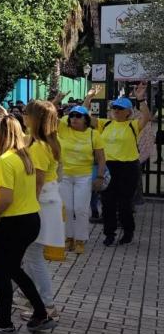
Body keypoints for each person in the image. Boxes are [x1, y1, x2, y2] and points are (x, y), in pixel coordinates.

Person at [0, 115, 55, 334]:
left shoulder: (4, 160)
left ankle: (5, 321)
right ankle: (40, 313)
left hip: (14, 223)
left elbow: (5, 199)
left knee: (3, 273)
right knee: (14, 270)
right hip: (30, 218)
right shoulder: (24, 156)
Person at [87, 84, 150, 245]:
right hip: (109, 167)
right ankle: (109, 234)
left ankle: (128, 232)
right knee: (107, 203)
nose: (116, 111)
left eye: (120, 109)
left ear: (129, 112)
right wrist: (89, 97)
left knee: (124, 203)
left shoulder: (132, 125)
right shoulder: (105, 124)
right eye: (114, 108)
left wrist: (141, 99)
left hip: (128, 168)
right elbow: (84, 116)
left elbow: (146, 117)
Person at [21, 101, 63, 320]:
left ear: (35, 119)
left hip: (41, 203)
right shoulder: (50, 143)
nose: (23, 117)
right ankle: (35, 299)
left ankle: (46, 305)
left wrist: (28, 209)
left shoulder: (38, 147)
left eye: (26, 114)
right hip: (49, 200)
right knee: (32, 256)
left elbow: (37, 183)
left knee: (34, 256)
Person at [58, 105, 106, 254]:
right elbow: (49, 116)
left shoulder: (93, 134)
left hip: (83, 177)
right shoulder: (64, 129)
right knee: (67, 208)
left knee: (81, 209)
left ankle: (80, 240)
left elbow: (101, 158)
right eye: (72, 116)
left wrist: (99, 176)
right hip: (64, 175)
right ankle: (68, 238)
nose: (74, 119)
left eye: (78, 116)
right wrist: (56, 100)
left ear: (86, 120)